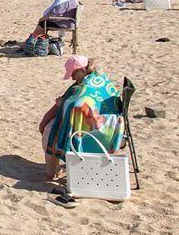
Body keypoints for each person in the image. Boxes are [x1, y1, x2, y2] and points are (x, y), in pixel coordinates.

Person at [39, 56, 123, 185]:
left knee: (50, 131)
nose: (72, 78)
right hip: (115, 131)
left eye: (73, 74)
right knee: (53, 125)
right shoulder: (100, 79)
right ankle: (56, 169)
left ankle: (52, 172)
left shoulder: (85, 87)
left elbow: (71, 105)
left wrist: (47, 118)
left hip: (98, 133)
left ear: (82, 70)